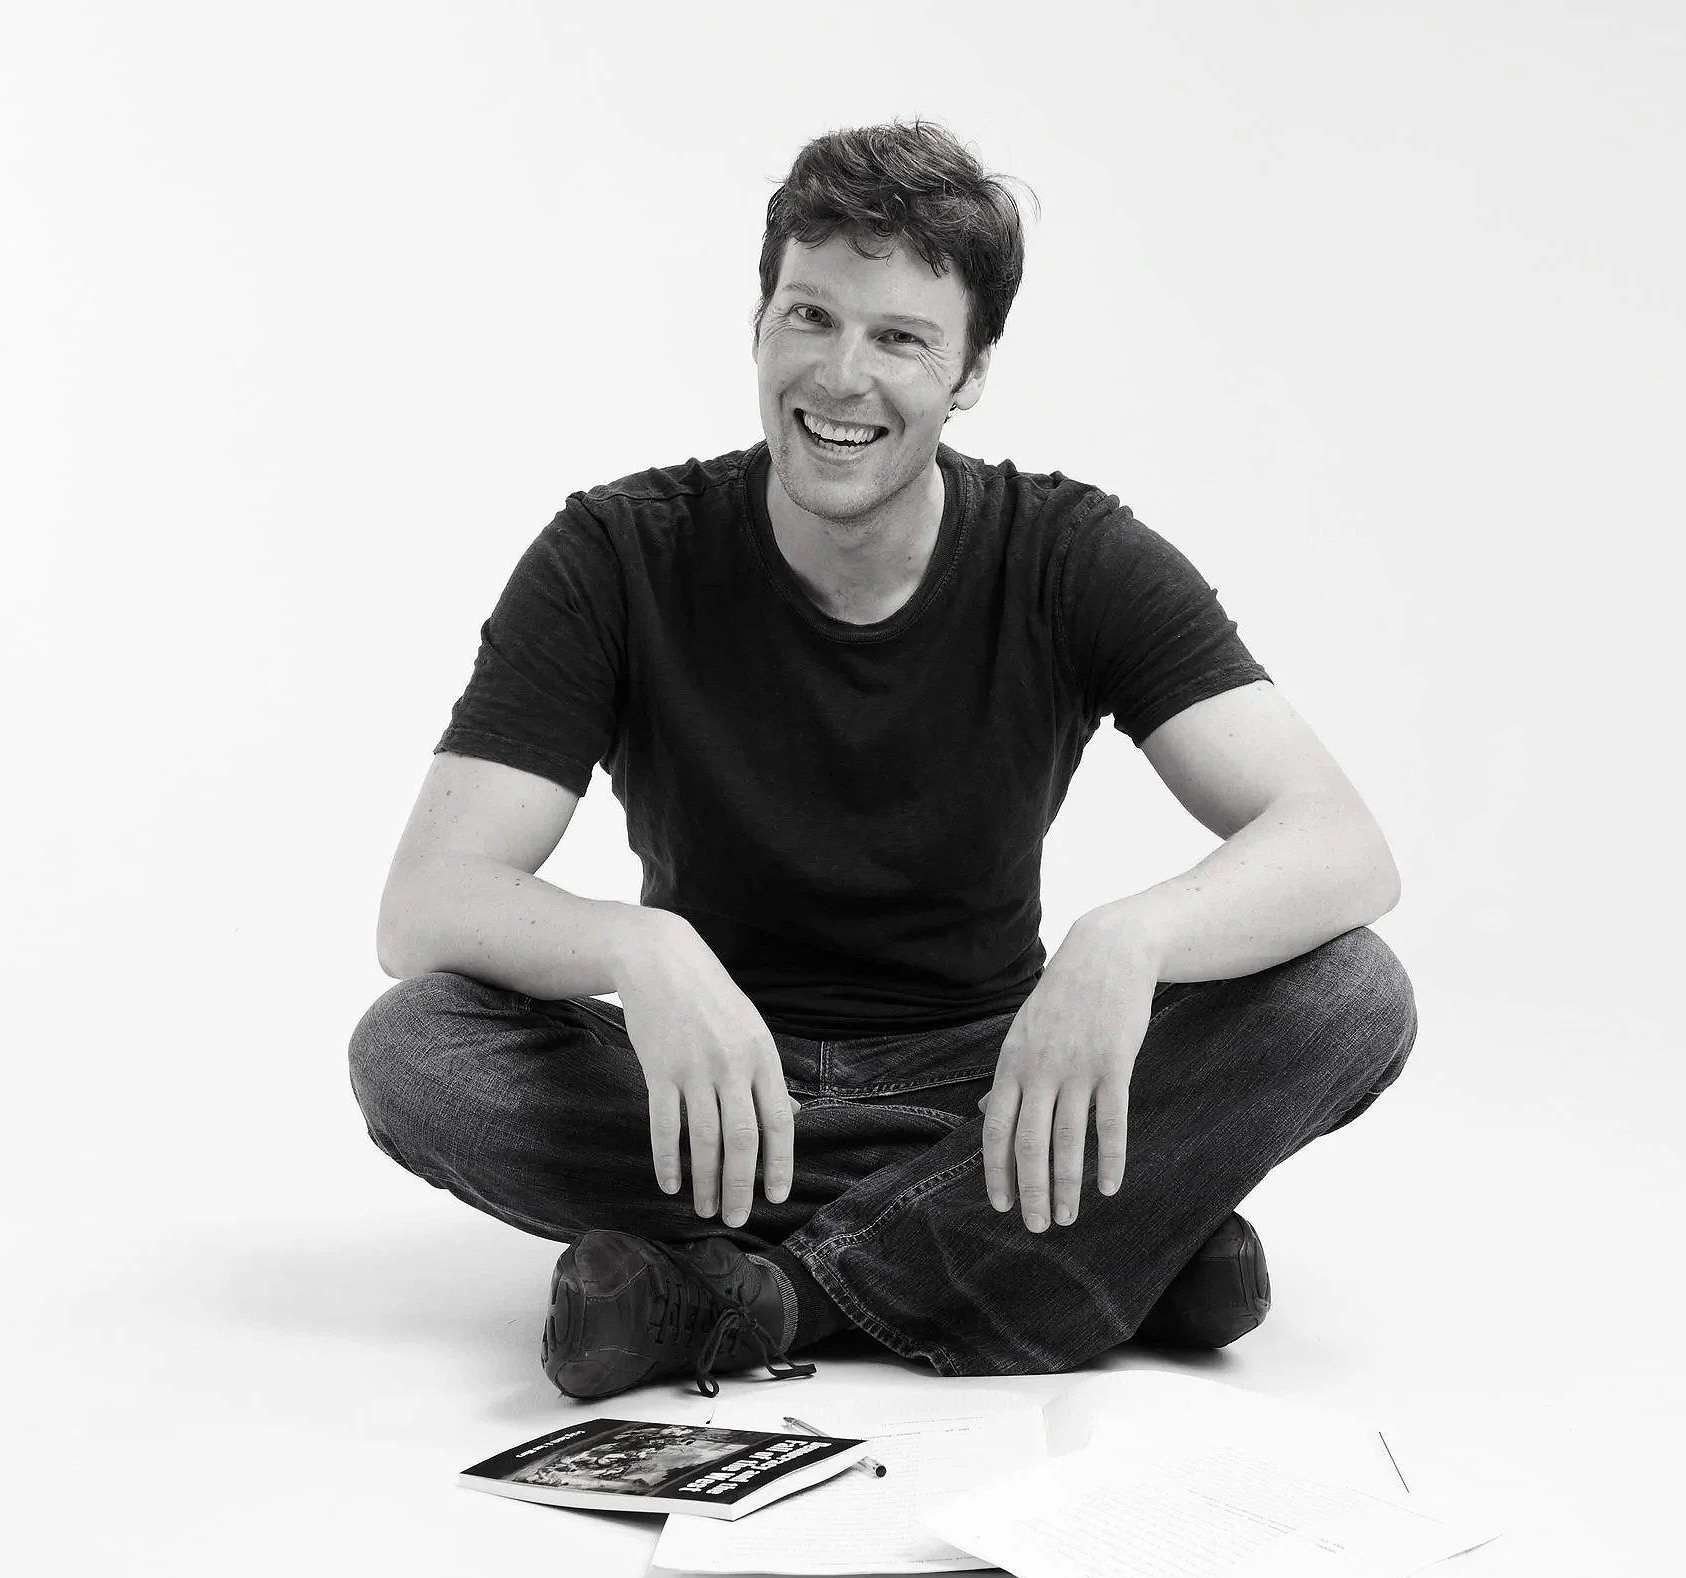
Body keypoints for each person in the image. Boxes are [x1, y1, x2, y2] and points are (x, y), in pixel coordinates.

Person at [347, 121, 1416, 1400]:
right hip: (712, 1079)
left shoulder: (1071, 555)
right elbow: (426, 905)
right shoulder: (614, 555)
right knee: (413, 1052)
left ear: (971, 372)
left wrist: (1127, 940)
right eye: (809, 316)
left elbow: (1340, 844)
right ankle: (1085, 1245)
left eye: (901, 338)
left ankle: (758, 1299)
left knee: (1351, 995)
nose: (841, 376)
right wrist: (638, 948)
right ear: (758, 324)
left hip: (994, 1076)